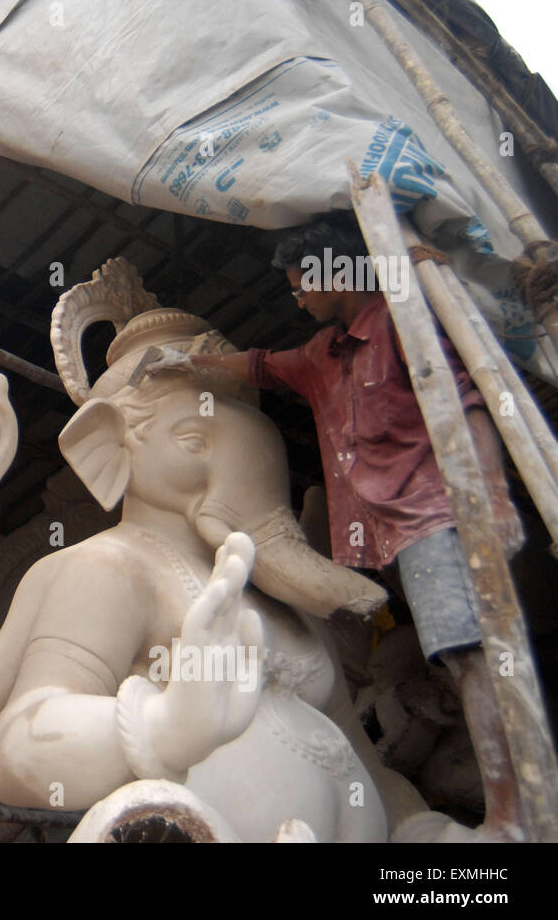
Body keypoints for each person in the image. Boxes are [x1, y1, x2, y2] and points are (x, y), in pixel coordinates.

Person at [153, 211, 525, 839]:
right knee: (454, 659)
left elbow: (467, 401)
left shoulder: (401, 322)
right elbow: (259, 366)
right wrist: (186, 361)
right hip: (392, 539)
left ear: (335, 270)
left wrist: (493, 494)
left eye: (302, 283)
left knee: (473, 658)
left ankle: (513, 811)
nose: (296, 298)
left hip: (436, 515)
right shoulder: (324, 355)